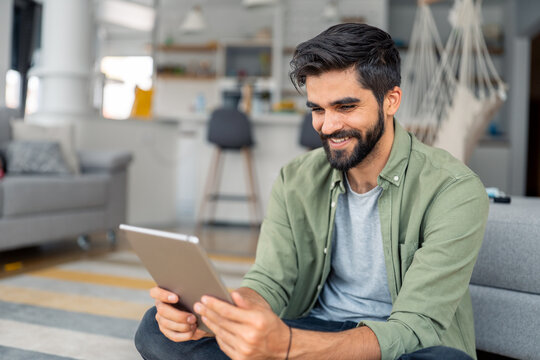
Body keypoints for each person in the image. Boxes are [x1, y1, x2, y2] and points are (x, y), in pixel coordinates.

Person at [134, 23, 489, 360]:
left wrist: (286, 347)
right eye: (317, 109)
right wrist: (220, 314)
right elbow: (270, 282)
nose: (329, 125)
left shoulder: (454, 190)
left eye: (346, 107)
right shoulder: (295, 179)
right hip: (314, 329)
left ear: (391, 100)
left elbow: (416, 326)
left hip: (397, 344)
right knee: (156, 329)